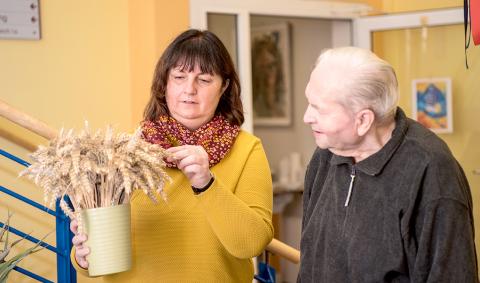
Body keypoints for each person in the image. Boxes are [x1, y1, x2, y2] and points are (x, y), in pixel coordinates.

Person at [70, 29, 274, 282]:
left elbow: (251, 245)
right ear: (164, 84)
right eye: (179, 76)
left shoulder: (246, 150)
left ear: (224, 86)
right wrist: (82, 256)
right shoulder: (124, 152)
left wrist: (206, 183)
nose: (190, 89)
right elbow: (96, 260)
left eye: (204, 80)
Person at [298, 47, 478, 282]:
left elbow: (452, 275)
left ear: (363, 120)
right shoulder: (326, 154)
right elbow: (310, 262)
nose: (306, 117)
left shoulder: (431, 171)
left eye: (318, 108)